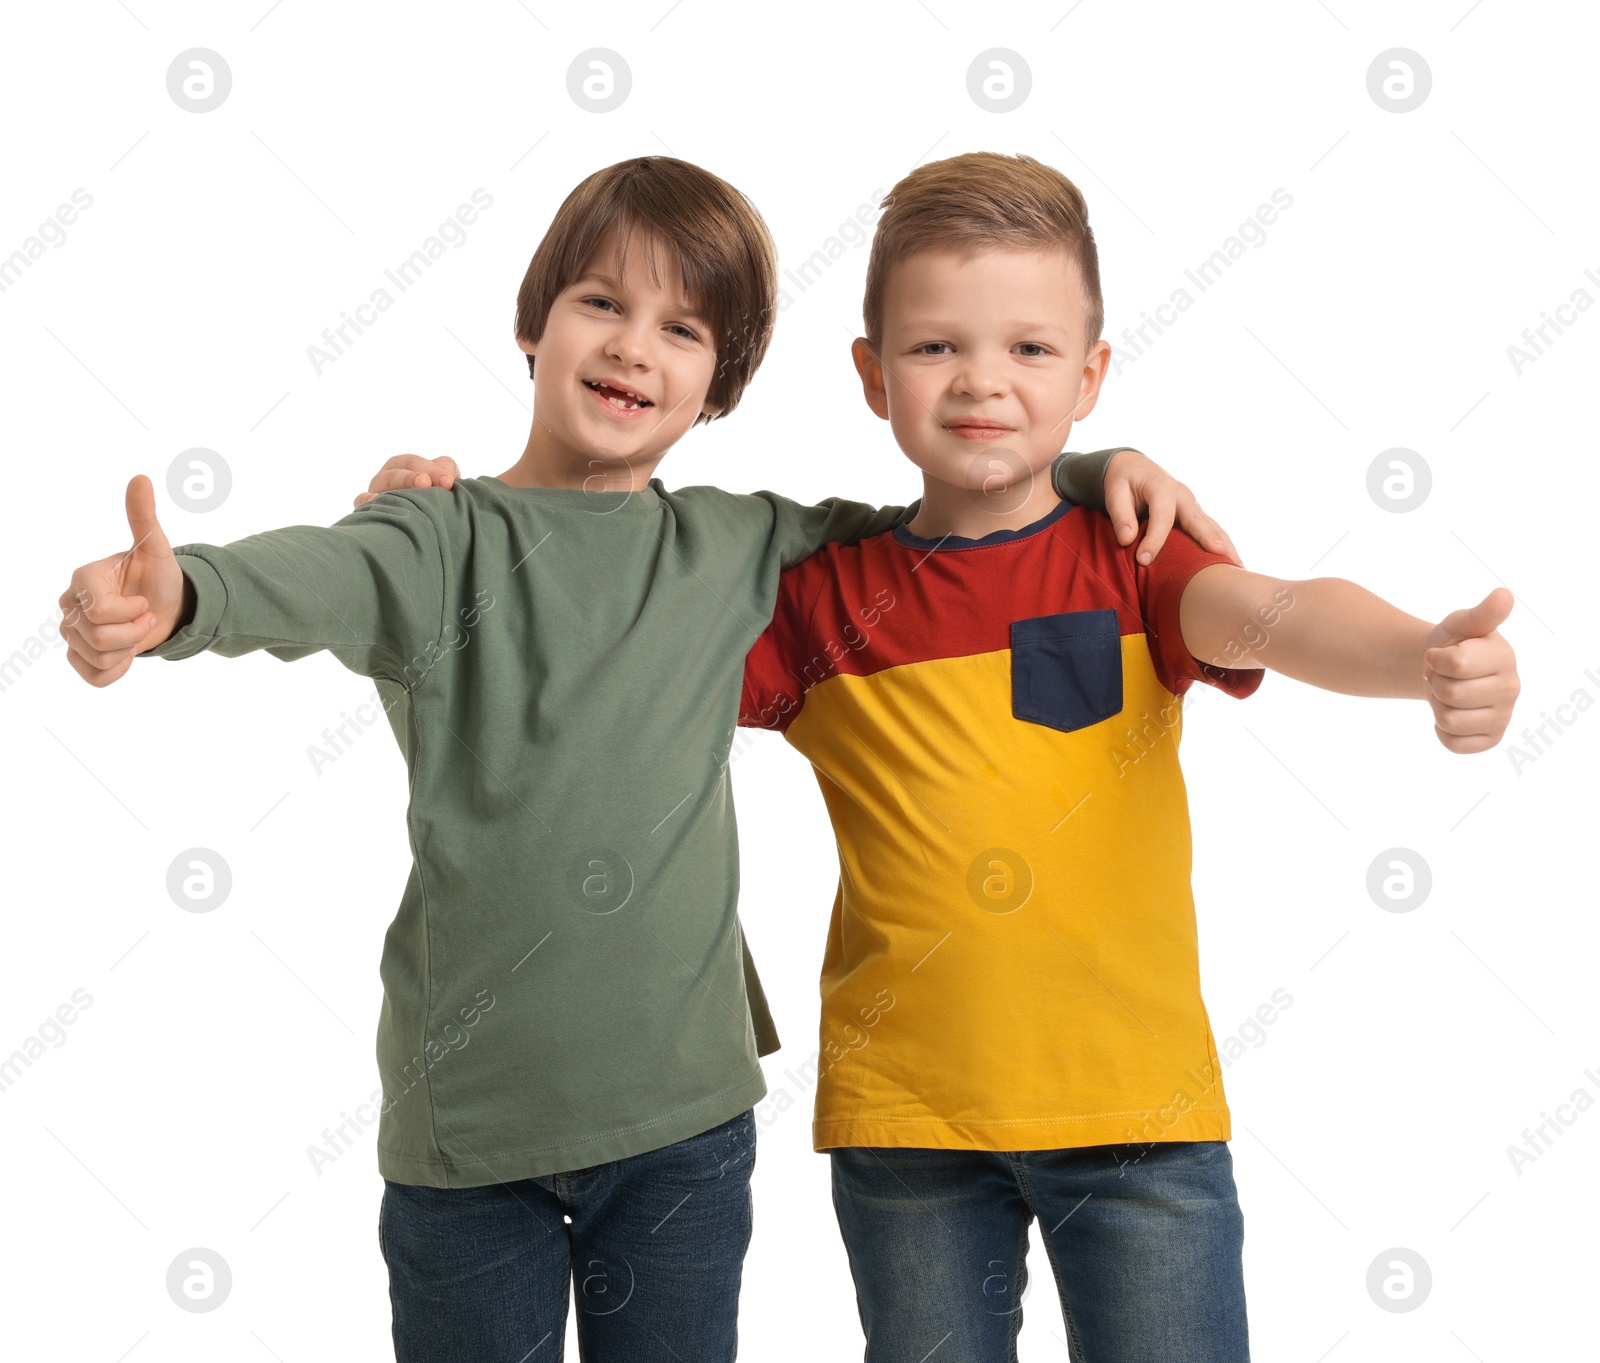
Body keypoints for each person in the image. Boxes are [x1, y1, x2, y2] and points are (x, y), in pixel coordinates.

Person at [56, 154, 1220, 1363]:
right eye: (601, 304)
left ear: (719, 382)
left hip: (685, 1127)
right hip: (469, 1133)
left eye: (683, 328)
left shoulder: (740, 547)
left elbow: (964, 516)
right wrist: (180, 593)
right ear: (534, 320)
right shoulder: (427, 538)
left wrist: (1091, 468)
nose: (632, 349)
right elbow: (305, 578)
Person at [735, 152, 1519, 1363]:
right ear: (871, 376)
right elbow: (613, 647)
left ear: (1091, 375)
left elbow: (1282, 611)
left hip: (1138, 1118)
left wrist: (1420, 651)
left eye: (1030, 350)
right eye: (936, 346)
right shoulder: (818, 600)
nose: (982, 381)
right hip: (907, 1126)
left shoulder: (1132, 561)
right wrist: (447, 526)